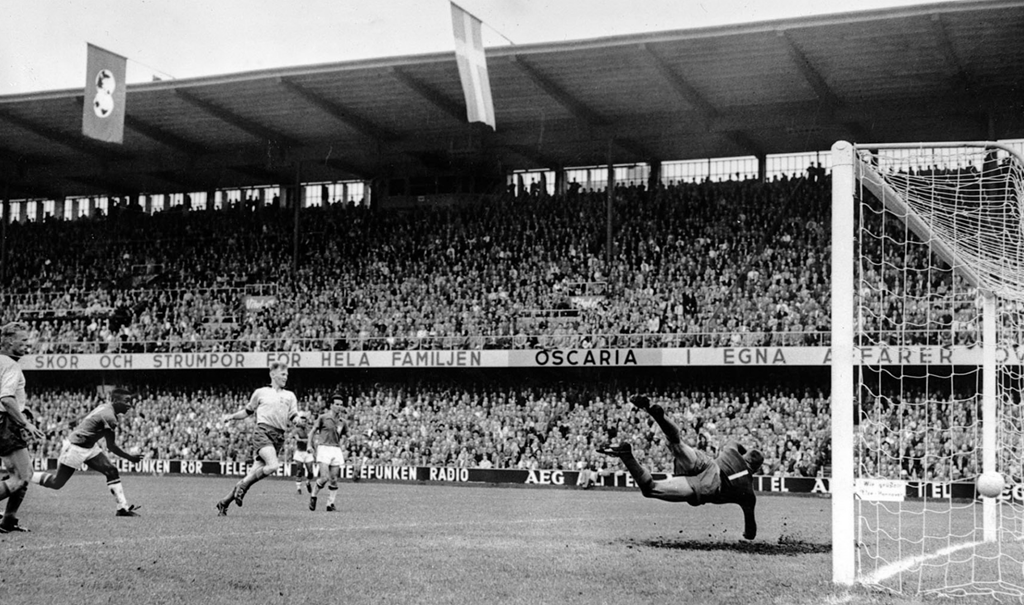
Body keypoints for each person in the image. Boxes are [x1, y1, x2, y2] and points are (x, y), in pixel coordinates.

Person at [598, 394, 763, 540]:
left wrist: (743, 451)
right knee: (651, 489)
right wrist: (746, 534)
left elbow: (736, 443)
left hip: (707, 463)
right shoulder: (748, 493)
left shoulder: (732, 450)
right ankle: (626, 455)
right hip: (709, 485)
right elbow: (751, 533)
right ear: (755, 470)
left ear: (744, 456)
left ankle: (655, 414)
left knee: (676, 443)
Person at [31, 387, 143, 516]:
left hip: (89, 447)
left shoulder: (106, 408)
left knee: (111, 470)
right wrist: (130, 458)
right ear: (115, 400)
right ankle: (25, 476)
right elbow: (111, 446)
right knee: (56, 483)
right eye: (126, 401)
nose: (129, 405)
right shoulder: (109, 416)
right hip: (75, 448)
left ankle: (122, 509)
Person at [216, 361, 305, 516]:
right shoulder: (261, 392)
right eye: (283, 374)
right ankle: (243, 487)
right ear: (273, 374)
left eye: (287, 375)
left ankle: (224, 503)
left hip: (278, 437)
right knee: (273, 466)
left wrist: (298, 420)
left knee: (251, 475)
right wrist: (232, 417)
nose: (286, 377)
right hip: (262, 432)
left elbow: (293, 415)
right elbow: (247, 411)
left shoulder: (290, 396)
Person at [0, 322, 45, 533]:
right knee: (22, 476)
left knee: (21, 475)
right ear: (10, 340)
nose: (28, 344)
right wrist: (24, 422)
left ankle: (8, 520)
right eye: (24, 340)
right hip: (6, 423)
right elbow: (7, 399)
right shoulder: (11, 365)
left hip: (7, 422)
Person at [307, 394, 348, 512]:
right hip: (324, 448)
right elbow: (312, 432)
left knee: (334, 478)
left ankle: (330, 504)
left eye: (341, 405)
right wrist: (310, 445)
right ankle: (313, 496)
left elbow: (347, 436)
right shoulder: (323, 418)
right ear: (331, 405)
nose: (339, 407)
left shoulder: (343, 422)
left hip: (336, 449)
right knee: (324, 477)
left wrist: (349, 441)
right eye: (336, 404)